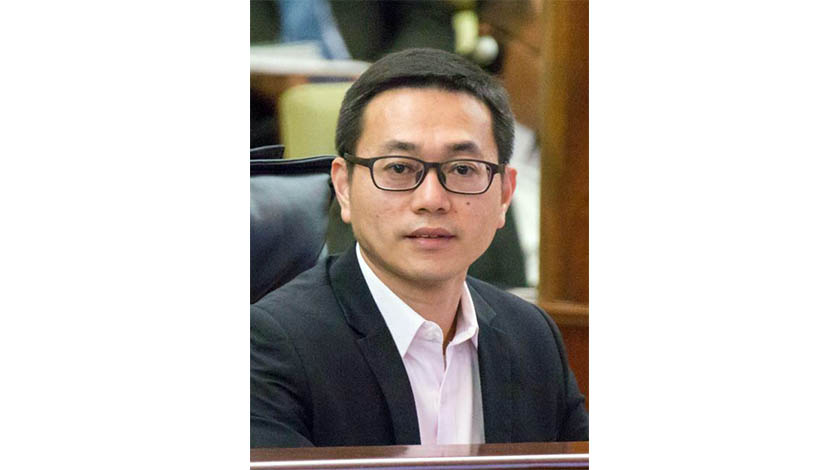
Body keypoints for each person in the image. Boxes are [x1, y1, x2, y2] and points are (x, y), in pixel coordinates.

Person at [250, 48, 588, 448]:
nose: (432, 199)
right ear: (343, 188)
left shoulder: (531, 337)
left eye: (462, 169)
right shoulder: (269, 345)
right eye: (399, 168)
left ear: (504, 194)